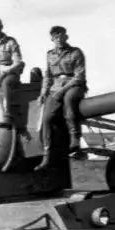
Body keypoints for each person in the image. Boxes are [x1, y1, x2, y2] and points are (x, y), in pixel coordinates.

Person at [35, 25, 87, 171]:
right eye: (55, 37)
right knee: (47, 118)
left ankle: (75, 140)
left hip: (74, 86)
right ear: (52, 39)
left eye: (61, 36)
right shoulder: (50, 54)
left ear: (66, 37)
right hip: (56, 87)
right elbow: (48, 76)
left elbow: (79, 76)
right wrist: (43, 93)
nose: (58, 39)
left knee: (69, 101)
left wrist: (64, 90)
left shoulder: (75, 53)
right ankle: (47, 154)